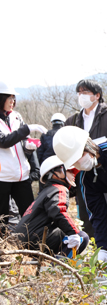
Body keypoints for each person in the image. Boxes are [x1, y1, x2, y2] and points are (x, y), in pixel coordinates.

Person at [53, 120, 107, 261]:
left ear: (89, 146)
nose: (79, 163)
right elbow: (98, 214)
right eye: (74, 162)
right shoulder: (86, 179)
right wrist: (102, 248)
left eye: (79, 157)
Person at [66, 80, 107, 238]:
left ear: (97, 95)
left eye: (85, 93)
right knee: (86, 214)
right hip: (83, 172)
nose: (81, 96)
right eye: (79, 93)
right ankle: (91, 248)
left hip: (106, 171)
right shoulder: (73, 120)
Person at [13, 155, 89, 257]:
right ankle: (58, 267)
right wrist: (73, 233)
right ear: (56, 173)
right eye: (70, 171)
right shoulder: (59, 188)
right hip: (36, 238)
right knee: (82, 237)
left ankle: (50, 264)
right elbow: (58, 211)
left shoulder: (46, 191)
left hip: (23, 239)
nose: (73, 174)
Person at [0, 81, 48, 230]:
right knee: (2, 217)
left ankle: (31, 243)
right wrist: (28, 129)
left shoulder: (17, 116)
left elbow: (21, 139)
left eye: (14, 98)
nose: (13, 102)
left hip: (22, 175)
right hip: (3, 176)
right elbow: (4, 141)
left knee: (29, 212)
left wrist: (28, 147)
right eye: (10, 98)